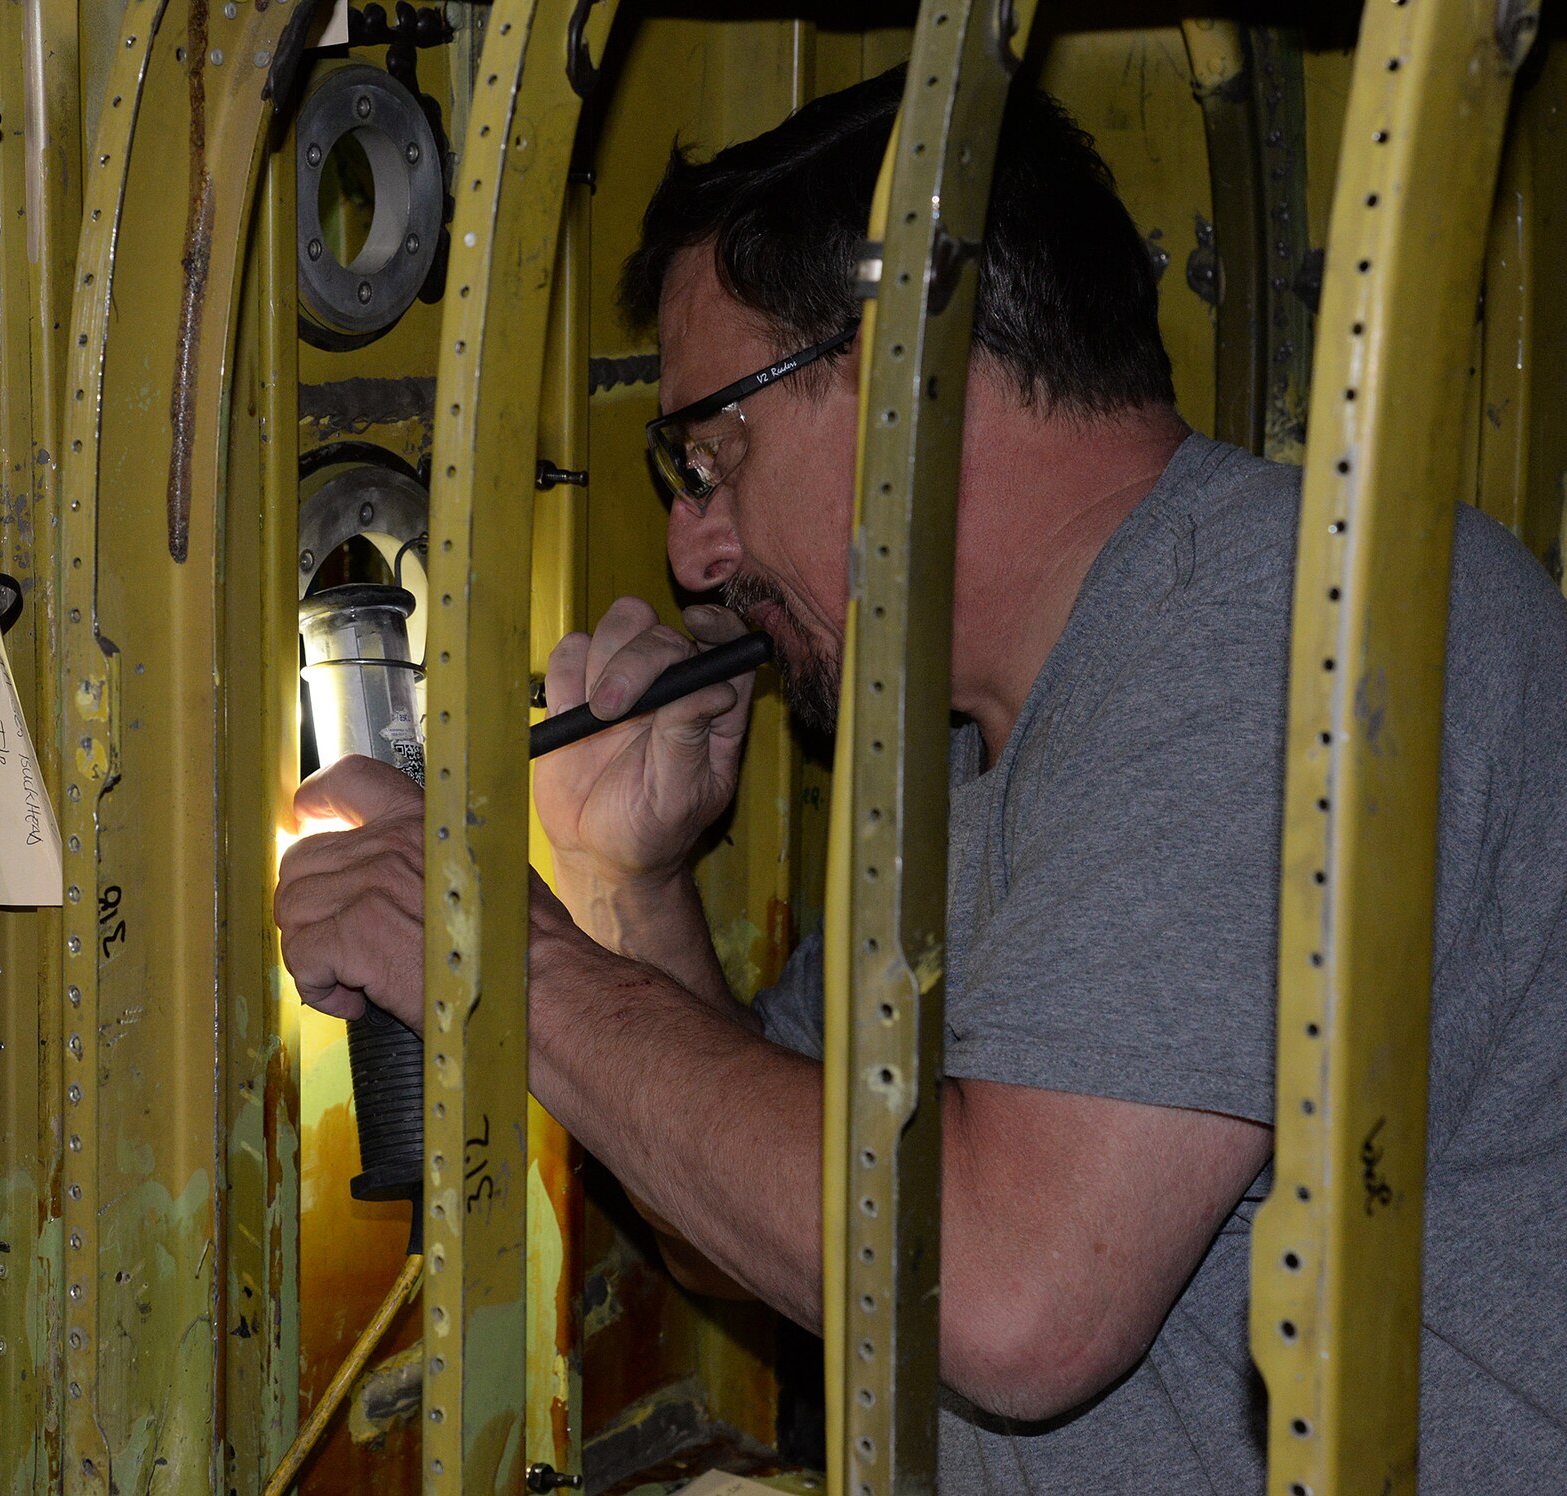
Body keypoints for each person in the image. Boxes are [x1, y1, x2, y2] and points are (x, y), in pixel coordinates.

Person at [274, 68, 1567, 1491]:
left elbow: (1012, 1302)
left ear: (909, 367)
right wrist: (625, 885)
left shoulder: (1283, 623)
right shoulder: (963, 733)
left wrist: (496, 960)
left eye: (710, 454)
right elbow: (797, 1233)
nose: (694, 551)